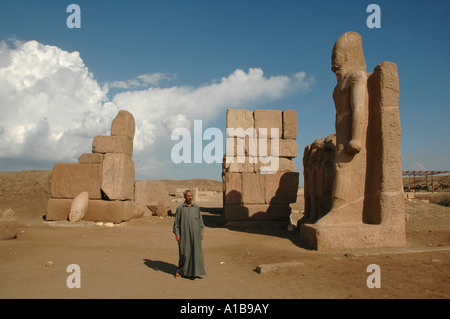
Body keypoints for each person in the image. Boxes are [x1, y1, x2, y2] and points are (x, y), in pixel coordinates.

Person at [172, 190, 206, 279]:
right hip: (184, 234)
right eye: (188, 196)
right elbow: (176, 224)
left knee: (196, 253)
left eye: (191, 195)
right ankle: (180, 271)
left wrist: (201, 232)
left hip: (196, 234)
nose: (190, 197)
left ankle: (194, 272)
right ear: (184, 197)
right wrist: (177, 234)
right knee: (184, 253)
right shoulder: (180, 208)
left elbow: (200, 221)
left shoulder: (196, 207)